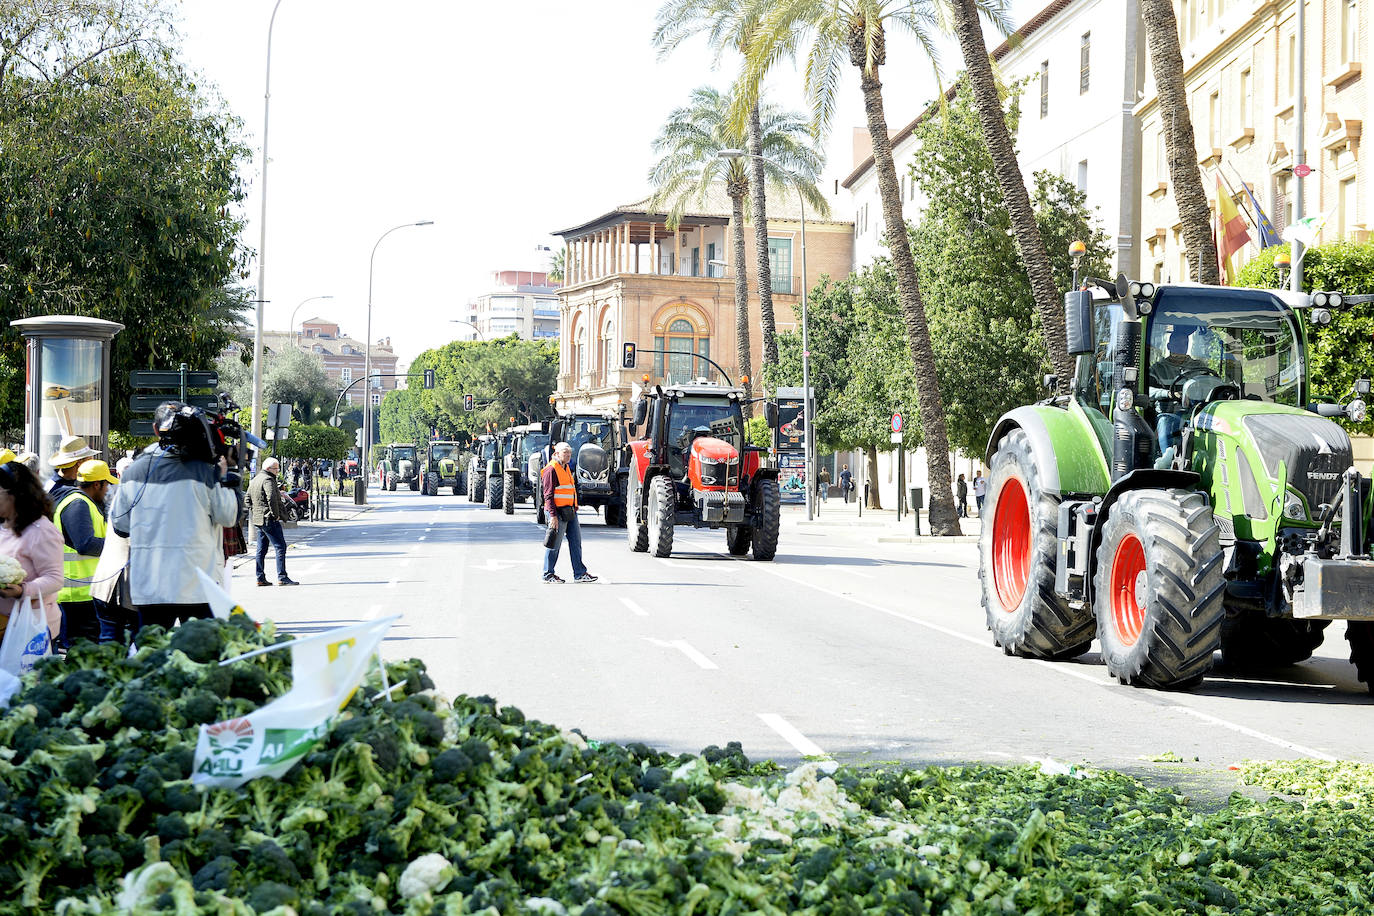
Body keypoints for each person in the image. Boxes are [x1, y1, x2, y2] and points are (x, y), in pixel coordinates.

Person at [110, 402, 241, 630]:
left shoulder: (133, 472)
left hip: (150, 588)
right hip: (198, 587)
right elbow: (229, 516)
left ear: (155, 429)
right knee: (201, 656)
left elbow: (120, 525)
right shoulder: (206, 472)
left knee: (154, 654)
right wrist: (229, 479)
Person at [53, 459, 116, 647]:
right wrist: (117, 545)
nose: (107, 491)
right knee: (82, 650)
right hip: (77, 595)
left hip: (82, 593)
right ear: (97, 484)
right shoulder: (78, 504)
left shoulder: (82, 502)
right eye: (106, 485)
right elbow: (85, 544)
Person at [0, 460, 64, 640]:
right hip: (4, 626)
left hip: (30, 631)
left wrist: (23, 590)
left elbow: (55, 579)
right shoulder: (3, 525)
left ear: (15, 494)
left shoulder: (41, 530)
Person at [92, 458, 135, 644]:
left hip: (105, 583)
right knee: (133, 645)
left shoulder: (118, 497)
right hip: (126, 587)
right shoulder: (139, 502)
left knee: (109, 643)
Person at [541, 442, 595, 584]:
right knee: (554, 544)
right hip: (557, 513)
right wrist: (553, 516)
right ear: (557, 454)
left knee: (576, 542)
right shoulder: (551, 469)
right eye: (565, 452)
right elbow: (548, 495)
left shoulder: (566, 468)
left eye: (569, 452)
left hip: (569, 511)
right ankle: (548, 574)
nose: (568, 455)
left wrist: (574, 507)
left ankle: (579, 573)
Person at [248, 457, 297, 587]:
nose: (278, 471)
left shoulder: (256, 479)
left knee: (261, 549)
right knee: (280, 546)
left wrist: (255, 510)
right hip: (269, 519)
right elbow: (271, 498)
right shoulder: (268, 480)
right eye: (276, 469)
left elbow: (247, 499)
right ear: (269, 469)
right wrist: (275, 515)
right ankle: (282, 577)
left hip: (259, 520)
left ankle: (260, 577)